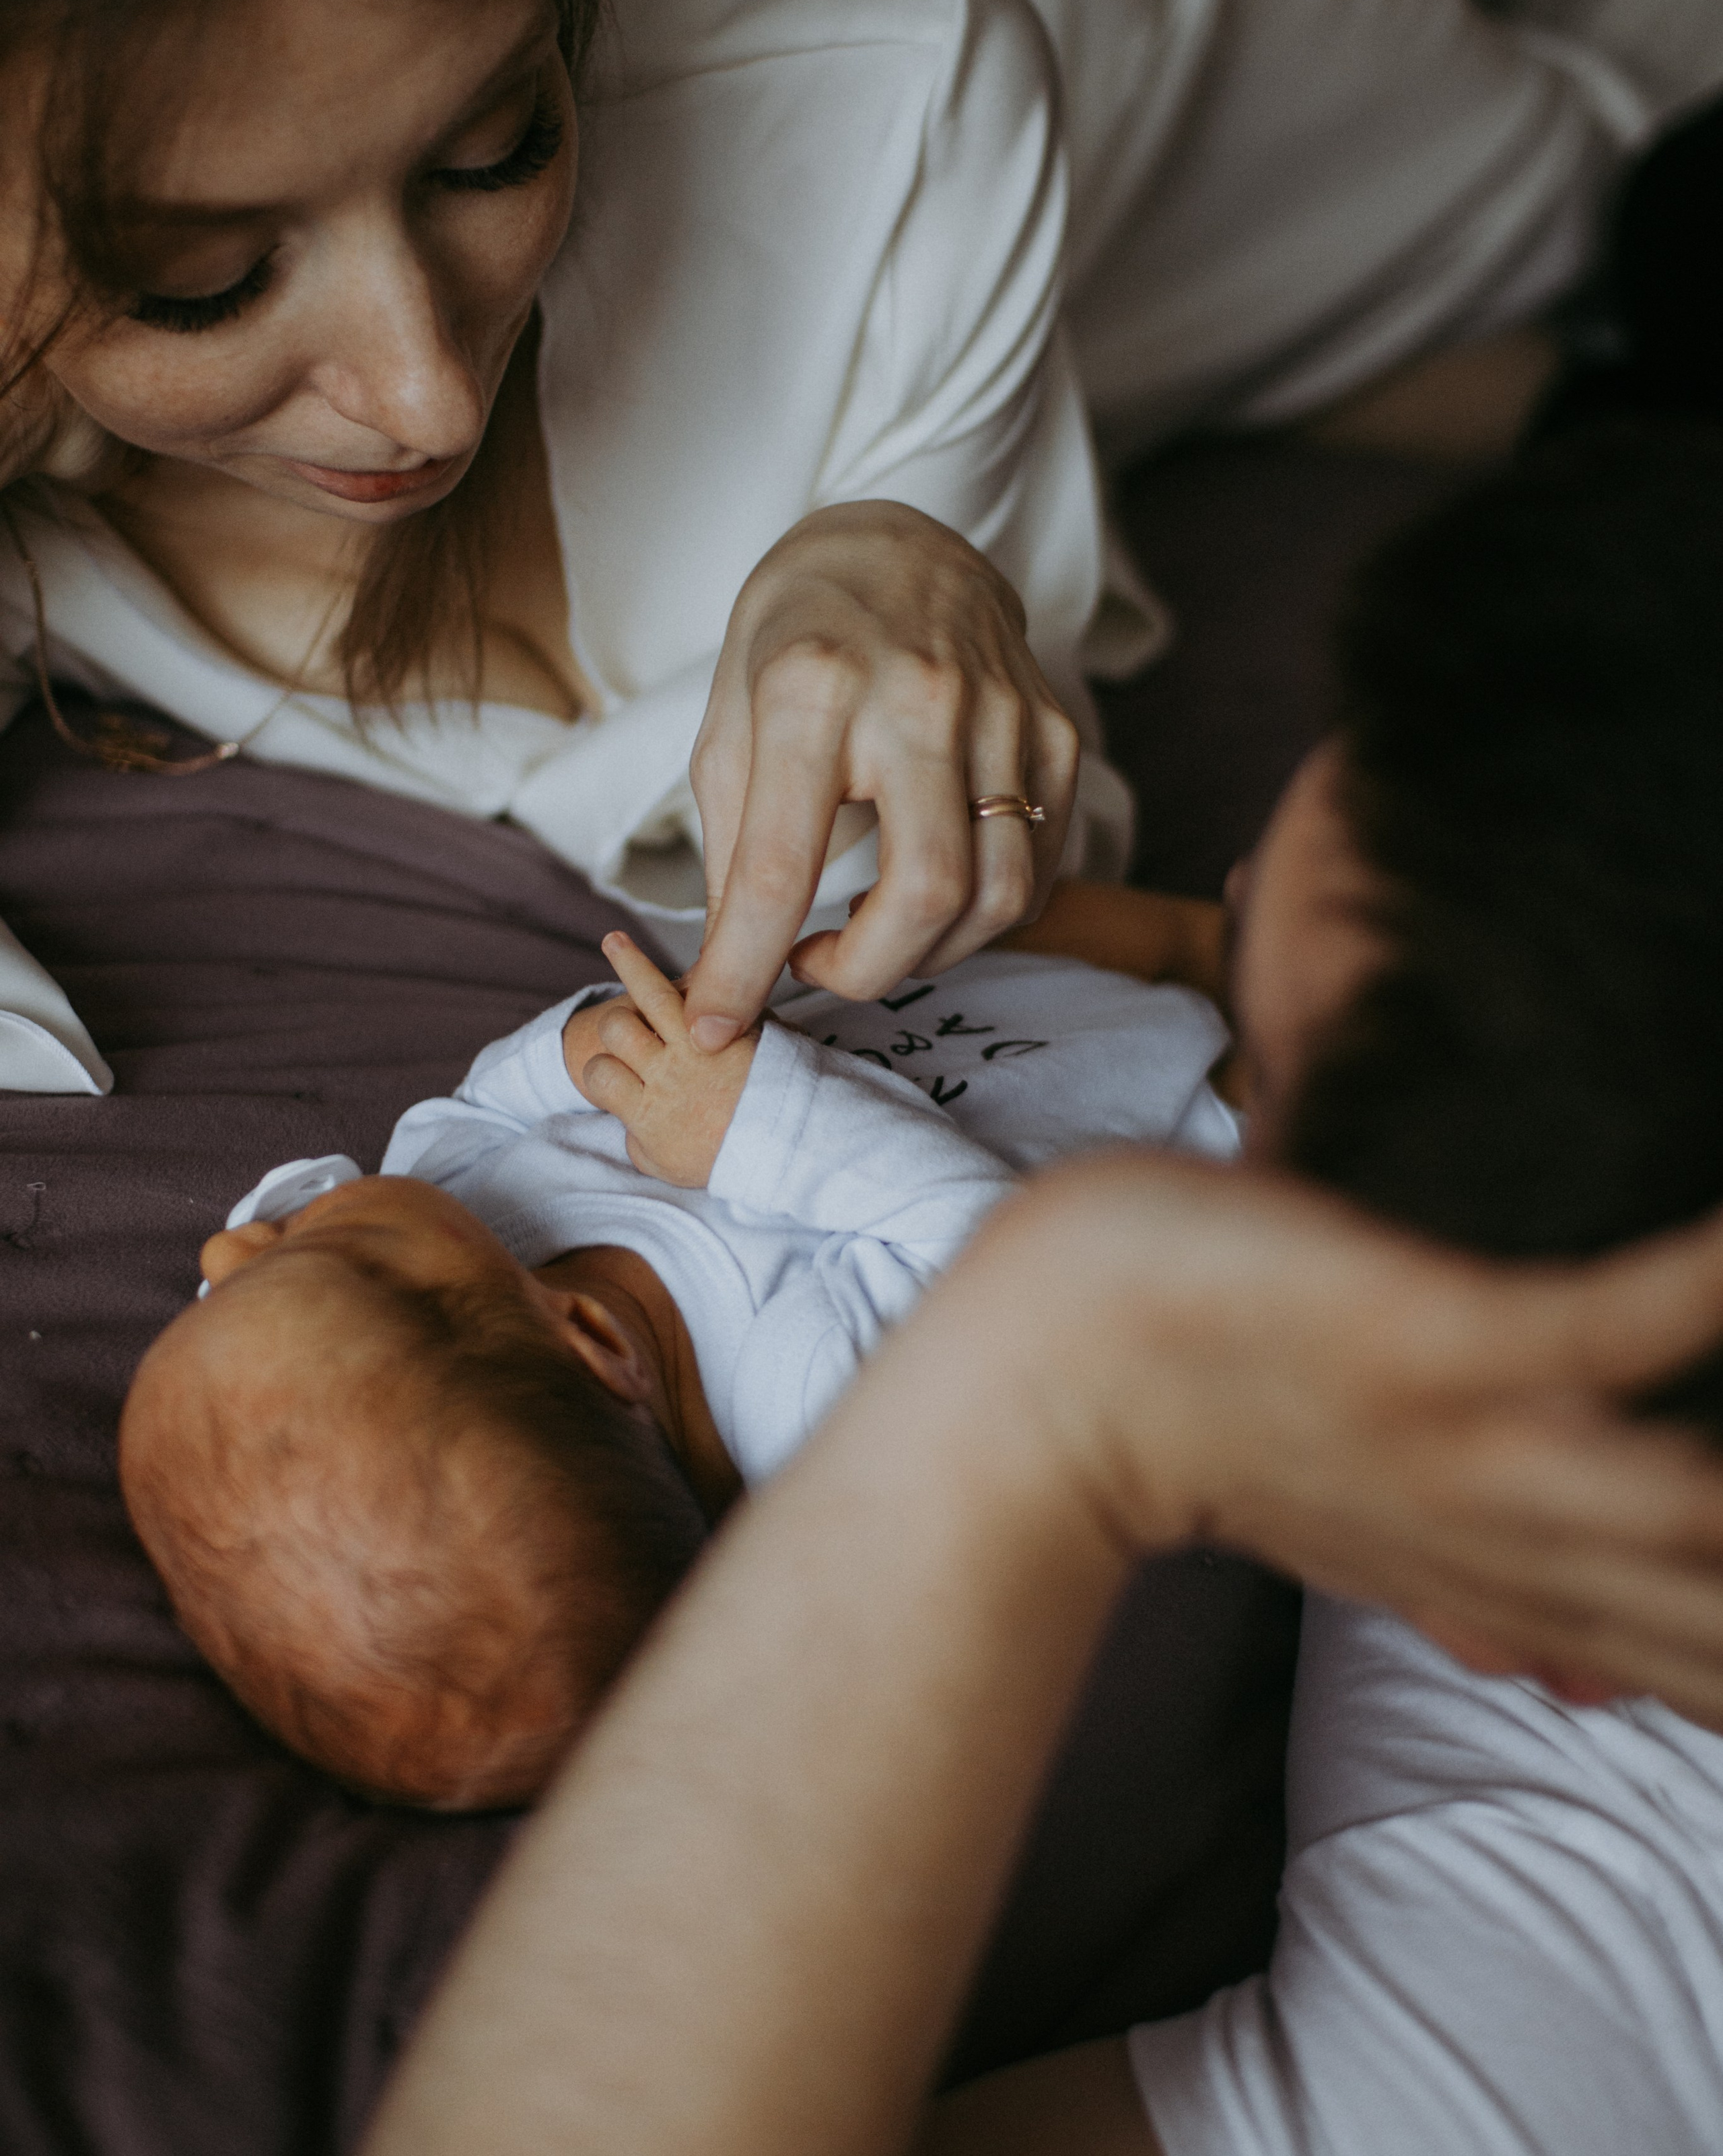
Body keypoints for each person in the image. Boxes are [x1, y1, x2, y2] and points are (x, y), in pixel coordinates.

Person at [351, 427, 1723, 2155]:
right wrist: (872, 546)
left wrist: (1045, 1374)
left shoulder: (1586, 1979)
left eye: (1277, 1104)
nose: (1230, 921)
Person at [5, 0, 1721, 1099]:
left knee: (1624, 187)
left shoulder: (885, 82)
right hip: (1104, 331)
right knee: (1533, 398)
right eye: (202, 283)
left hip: (1278, 119)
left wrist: (912, 544)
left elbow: (992, 874)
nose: (426, 400)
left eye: (496, 147)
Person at [119, 923, 1238, 1805]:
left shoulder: (463, 1214)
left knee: (971, 911)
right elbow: (1014, 1266)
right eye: (315, 1257)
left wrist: (580, 1050)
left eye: (221, 1293)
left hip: (952, 987)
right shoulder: (808, 1405)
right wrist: (753, 1129)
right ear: (595, 1343)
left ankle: (1194, 932)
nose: (226, 1248)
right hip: (1172, 1098)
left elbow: (473, 1110)